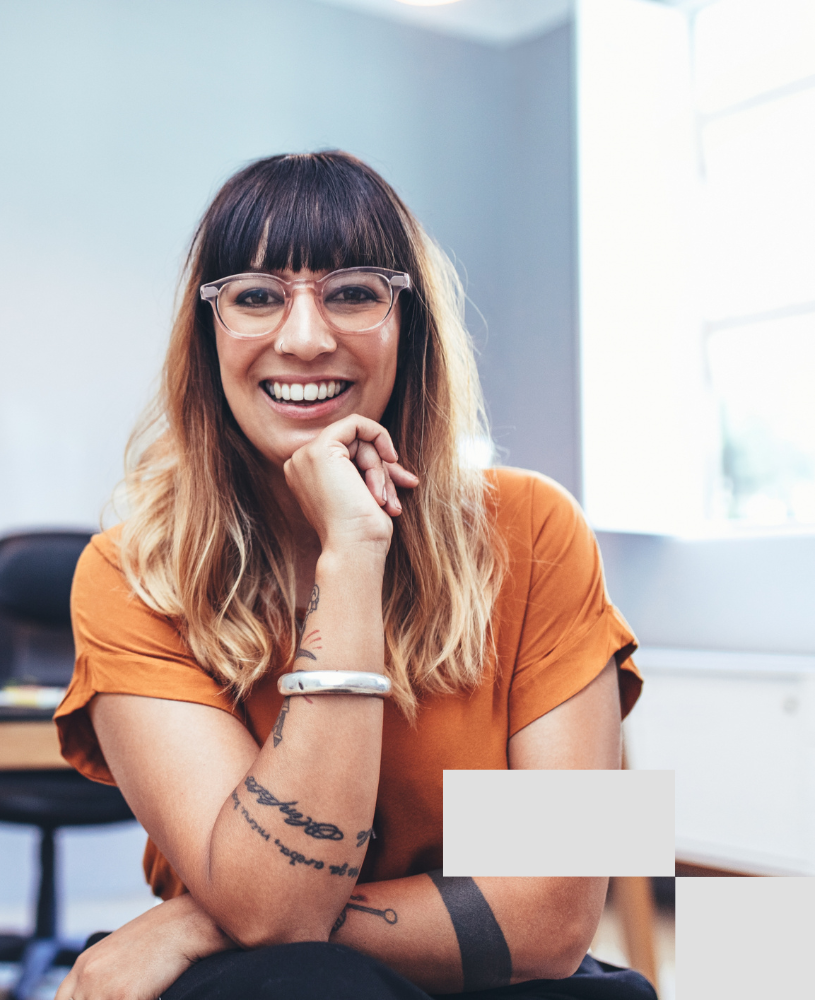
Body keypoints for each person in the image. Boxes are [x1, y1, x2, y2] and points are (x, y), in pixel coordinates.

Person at [53, 151, 655, 1000]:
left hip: (494, 976)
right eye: (256, 296)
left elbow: (555, 917)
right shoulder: (133, 573)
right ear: (207, 334)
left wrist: (198, 919)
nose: (304, 338)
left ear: (409, 326)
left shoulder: (533, 527)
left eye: (353, 292)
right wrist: (352, 556)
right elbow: (277, 920)